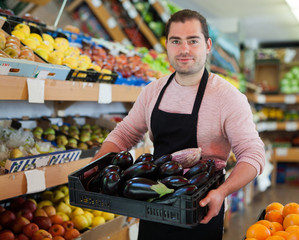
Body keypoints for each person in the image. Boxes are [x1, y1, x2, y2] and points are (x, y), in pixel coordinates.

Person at [91, 9, 265, 240]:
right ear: (167, 46)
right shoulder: (153, 91)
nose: (184, 50)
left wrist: (222, 193)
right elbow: (125, 133)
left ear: (208, 45)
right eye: (176, 41)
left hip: (200, 207)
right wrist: (96, 166)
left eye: (193, 41)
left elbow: (253, 154)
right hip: (154, 203)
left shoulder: (228, 97)